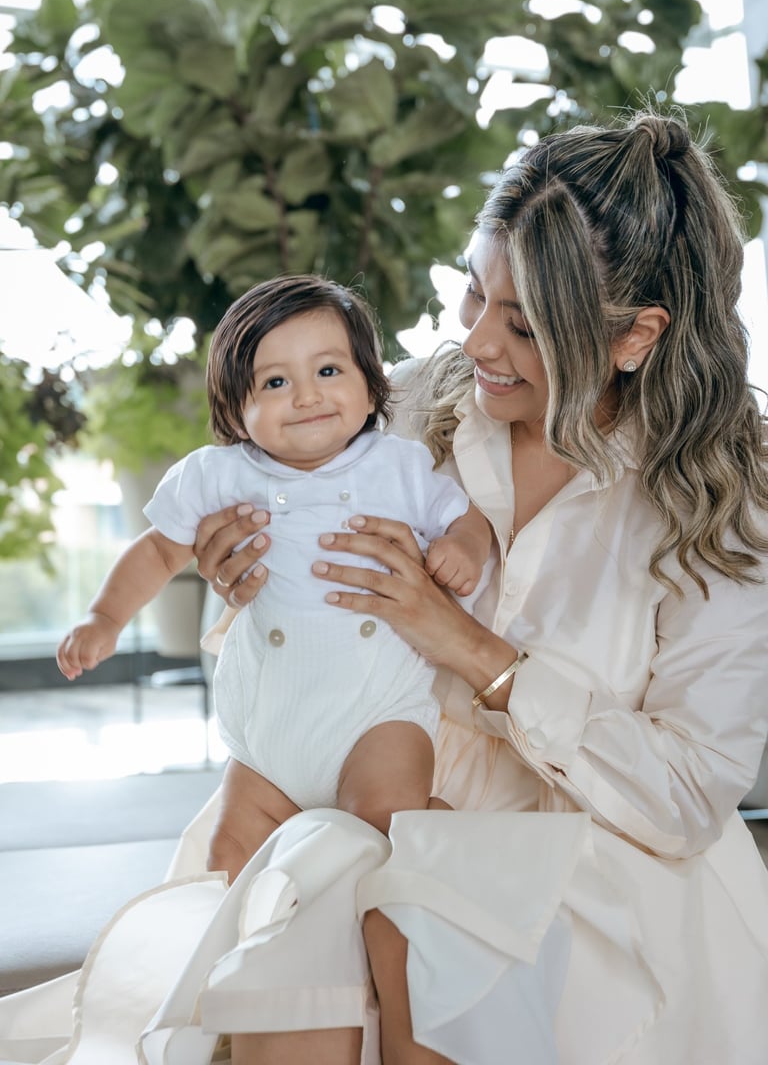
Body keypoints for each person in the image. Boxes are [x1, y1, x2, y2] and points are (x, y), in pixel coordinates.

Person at [1, 109, 767, 1065]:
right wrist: (239, 576)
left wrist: (475, 651)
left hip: (593, 867)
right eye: (474, 292)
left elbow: (689, 797)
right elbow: (293, 632)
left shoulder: (721, 502)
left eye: (523, 325)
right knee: (315, 901)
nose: (476, 342)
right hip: (347, 814)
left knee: (396, 928)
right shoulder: (399, 406)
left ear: (636, 335)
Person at [56, 276, 492, 883]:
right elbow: (157, 549)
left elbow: (467, 519)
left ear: (372, 387)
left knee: (381, 835)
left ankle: (407, 871)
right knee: (226, 858)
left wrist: (461, 548)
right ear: (236, 411)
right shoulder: (218, 476)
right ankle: (261, 940)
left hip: (377, 714)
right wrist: (105, 617)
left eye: (329, 371)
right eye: (276, 382)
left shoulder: (398, 466)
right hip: (269, 732)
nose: (307, 395)